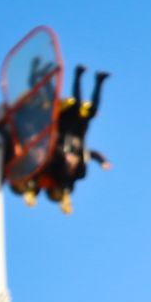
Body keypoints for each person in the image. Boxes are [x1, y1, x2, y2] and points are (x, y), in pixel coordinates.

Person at [40, 65, 112, 214]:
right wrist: (103, 161)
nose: (73, 164)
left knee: (76, 105)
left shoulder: (59, 159)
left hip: (65, 122)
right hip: (78, 126)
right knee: (91, 111)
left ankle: (76, 75)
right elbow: (92, 154)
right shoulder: (79, 164)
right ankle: (99, 81)